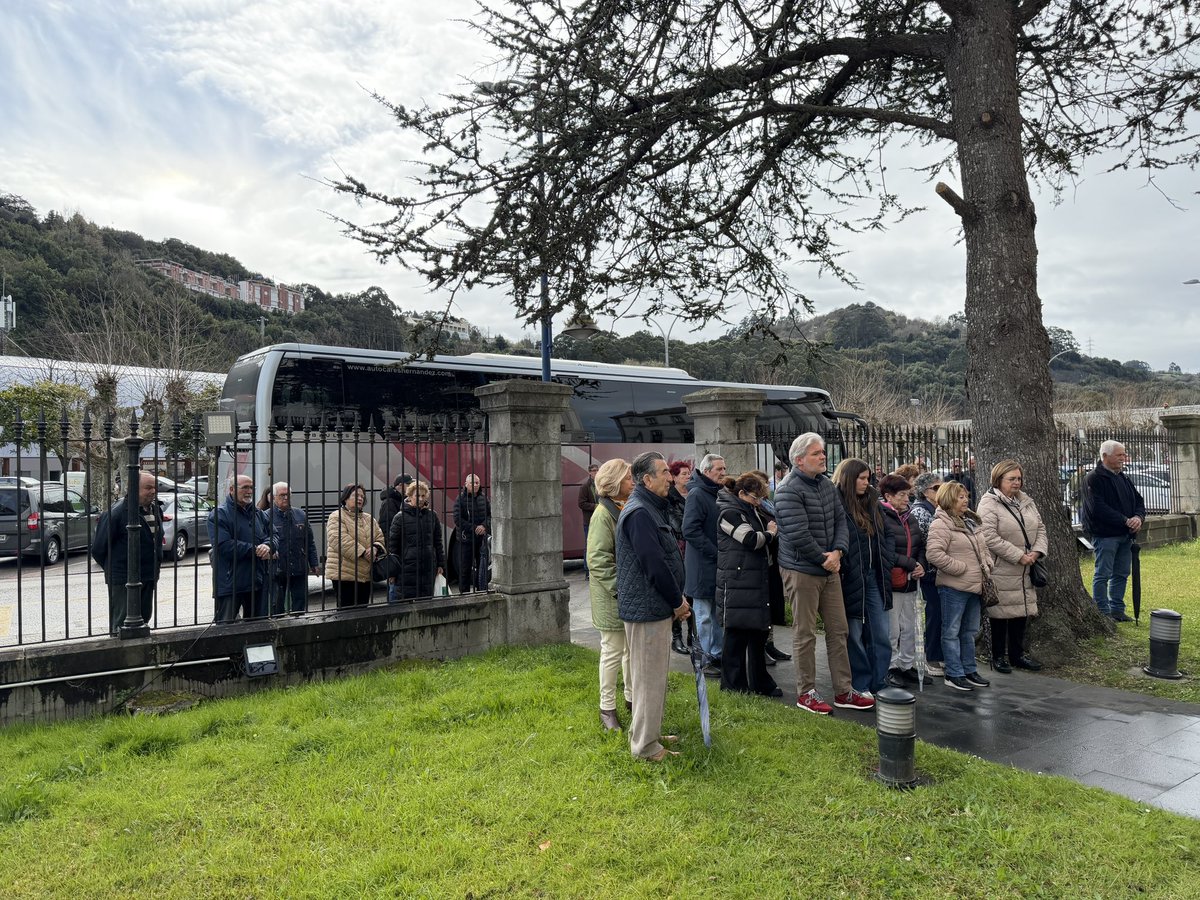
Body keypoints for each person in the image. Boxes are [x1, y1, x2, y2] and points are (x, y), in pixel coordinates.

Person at [774, 433, 873, 714]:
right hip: (802, 570)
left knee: (839, 630)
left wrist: (838, 552)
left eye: (822, 452)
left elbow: (842, 520)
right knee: (805, 633)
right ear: (799, 460)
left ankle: (844, 690)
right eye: (816, 453)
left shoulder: (826, 485)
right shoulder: (787, 490)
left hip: (830, 567)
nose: (823, 456)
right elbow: (798, 534)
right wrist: (824, 559)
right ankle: (806, 692)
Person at [617, 451, 691, 761]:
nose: (670, 478)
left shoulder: (649, 508)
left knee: (653, 677)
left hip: (652, 607)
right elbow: (654, 564)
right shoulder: (640, 513)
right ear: (647, 479)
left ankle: (649, 733)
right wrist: (677, 602)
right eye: (664, 473)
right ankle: (645, 748)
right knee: (648, 679)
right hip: (648, 609)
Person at [831, 459, 893, 698]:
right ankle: (861, 683)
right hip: (850, 577)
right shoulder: (836, 501)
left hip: (874, 575)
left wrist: (886, 560)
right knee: (854, 634)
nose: (867, 483)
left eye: (868, 478)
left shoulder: (872, 501)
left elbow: (886, 535)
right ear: (849, 478)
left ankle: (879, 681)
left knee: (880, 632)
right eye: (862, 478)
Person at [978, 460, 1047, 673]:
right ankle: (998, 655)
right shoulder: (989, 503)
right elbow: (988, 536)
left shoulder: (1025, 501)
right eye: (1011, 479)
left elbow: (1041, 528)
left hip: (1026, 566)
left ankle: (1018, 654)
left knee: (1021, 611)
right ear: (999, 480)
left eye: (1019, 478)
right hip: (1003, 567)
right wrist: (1018, 556)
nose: (1016, 483)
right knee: (1000, 614)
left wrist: (1036, 552)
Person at [716, 472, 781, 697]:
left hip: (753, 578)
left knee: (757, 634)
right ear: (742, 493)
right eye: (755, 497)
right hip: (738, 581)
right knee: (736, 635)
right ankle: (734, 685)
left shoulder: (749, 509)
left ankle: (759, 682)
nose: (759, 502)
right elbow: (750, 539)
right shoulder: (729, 512)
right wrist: (770, 533)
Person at [925, 481, 993, 692]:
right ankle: (954, 673)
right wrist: (960, 568)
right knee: (951, 631)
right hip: (954, 587)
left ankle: (969, 669)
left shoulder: (970, 521)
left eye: (966, 496)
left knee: (969, 631)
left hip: (975, 586)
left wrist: (987, 564)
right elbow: (934, 553)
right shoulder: (941, 524)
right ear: (949, 499)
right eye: (960, 497)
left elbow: (982, 547)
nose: (966, 500)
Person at [586, 458, 634, 732]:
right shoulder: (603, 514)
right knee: (613, 652)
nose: (632, 482)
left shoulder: (621, 507)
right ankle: (607, 709)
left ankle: (631, 699)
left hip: (623, 594)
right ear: (614, 483)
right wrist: (621, 588)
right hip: (612, 596)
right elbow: (597, 560)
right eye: (627, 478)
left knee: (628, 651)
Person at [91, 471, 163, 635]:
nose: (153, 491)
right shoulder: (116, 513)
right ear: (133, 488)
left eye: (155, 487)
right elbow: (99, 549)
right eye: (148, 488)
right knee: (121, 626)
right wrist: (116, 570)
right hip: (123, 579)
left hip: (148, 576)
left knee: (144, 620)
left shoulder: (155, 510)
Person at [1081, 440, 1145, 622]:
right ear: (1105, 456)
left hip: (1125, 534)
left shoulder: (1123, 477)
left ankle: (1117, 609)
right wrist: (1125, 520)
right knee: (1103, 573)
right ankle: (1102, 611)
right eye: (1119, 455)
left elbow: (1138, 501)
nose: (1123, 458)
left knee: (1122, 573)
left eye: (1124, 454)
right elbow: (1097, 508)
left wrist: (1138, 517)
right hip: (1105, 535)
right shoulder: (1093, 478)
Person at [879, 473, 925, 686]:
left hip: (910, 579)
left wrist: (920, 564)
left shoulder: (910, 516)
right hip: (893, 579)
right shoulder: (881, 516)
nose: (907, 499)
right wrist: (910, 563)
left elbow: (919, 544)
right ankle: (891, 666)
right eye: (902, 495)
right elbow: (885, 550)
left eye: (908, 494)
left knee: (910, 626)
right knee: (893, 628)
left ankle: (907, 664)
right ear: (888, 496)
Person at [682, 453, 726, 675]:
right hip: (702, 566)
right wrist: (715, 552)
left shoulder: (718, 493)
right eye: (719, 469)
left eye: (724, 468)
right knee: (704, 616)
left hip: (716, 564)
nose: (723, 472)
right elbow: (689, 529)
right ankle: (704, 659)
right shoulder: (697, 494)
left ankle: (717, 654)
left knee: (716, 614)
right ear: (707, 471)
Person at [209, 474, 274, 622]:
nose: (249, 491)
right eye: (245, 487)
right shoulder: (219, 514)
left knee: (258, 626)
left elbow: (273, 534)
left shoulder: (258, 513)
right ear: (232, 489)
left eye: (251, 487)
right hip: (230, 583)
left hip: (257, 581)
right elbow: (224, 545)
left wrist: (268, 545)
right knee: (226, 627)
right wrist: (256, 550)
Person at [324, 482, 385, 608]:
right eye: (356, 495)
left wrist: (375, 548)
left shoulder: (369, 519)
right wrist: (364, 553)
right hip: (344, 575)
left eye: (362, 496)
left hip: (365, 574)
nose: (360, 498)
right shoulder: (336, 516)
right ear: (345, 498)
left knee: (362, 610)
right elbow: (339, 540)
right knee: (346, 611)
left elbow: (380, 537)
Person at [266, 481, 320, 615]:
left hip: (298, 567)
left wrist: (314, 563)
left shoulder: (300, 514)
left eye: (288, 495)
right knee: (277, 606)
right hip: (276, 569)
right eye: (282, 495)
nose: (286, 498)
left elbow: (309, 541)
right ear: (273, 497)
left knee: (300, 604)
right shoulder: (266, 516)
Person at [909, 472, 944, 677]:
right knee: (933, 614)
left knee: (940, 615)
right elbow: (919, 543)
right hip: (928, 572)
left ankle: (939, 653)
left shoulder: (939, 509)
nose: (940, 491)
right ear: (924, 492)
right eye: (936, 488)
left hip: (940, 571)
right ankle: (931, 657)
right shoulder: (921, 512)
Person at [389, 480, 445, 600]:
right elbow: (393, 547)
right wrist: (392, 571)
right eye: (417, 495)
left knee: (426, 603)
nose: (420, 499)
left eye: (423, 496)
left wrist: (440, 564)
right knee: (405, 604)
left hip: (427, 569)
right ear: (409, 496)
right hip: (406, 569)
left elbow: (438, 542)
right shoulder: (399, 517)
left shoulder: (432, 516)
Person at [666, 459, 692, 656]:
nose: (688, 476)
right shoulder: (670, 498)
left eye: (689, 473)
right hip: (678, 547)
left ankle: (693, 634)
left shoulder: (693, 493)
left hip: (693, 548)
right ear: (674, 477)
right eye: (683, 474)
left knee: (692, 592)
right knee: (679, 590)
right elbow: (679, 525)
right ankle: (677, 637)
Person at [453, 473, 491, 593]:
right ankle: (464, 594)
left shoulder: (484, 498)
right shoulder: (460, 499)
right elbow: (457, 519)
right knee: (465, 569)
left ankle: (481, 592)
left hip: (481, 540)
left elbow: (490, 515)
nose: (475, 485)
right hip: (466, 540)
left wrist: (484, 526)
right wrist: (474, 528)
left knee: (482, 568)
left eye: (477, 483)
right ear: (466, 484)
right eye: (472, 483)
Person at [379, 473, 412, 602]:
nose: (411, 487)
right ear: (401, 486)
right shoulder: (389, 503)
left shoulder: (400, 500)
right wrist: (390, 553)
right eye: (409, 484)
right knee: (394, 584)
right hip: (395, 550)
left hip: (402, 549)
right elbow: (387, 530)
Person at [577, 463, 599, 578]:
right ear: (589, 472)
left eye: (597, 470)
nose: (596, 473)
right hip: (589, 521)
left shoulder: (600, 485)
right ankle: (587, 571)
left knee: (599, 545)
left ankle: (596, 570)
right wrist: (595, 506)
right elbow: (581, 503)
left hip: (599, 519)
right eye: (594, 471)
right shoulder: (585, 486)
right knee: (589, 546)